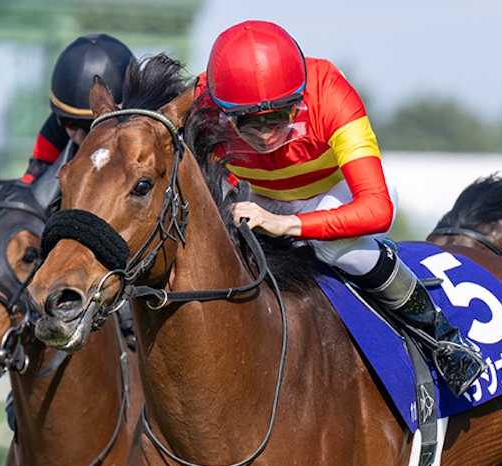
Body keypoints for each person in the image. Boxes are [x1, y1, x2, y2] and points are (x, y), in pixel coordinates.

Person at [196, 20, 483, 396]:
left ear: (299, 98)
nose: (265, 135)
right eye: (249, 121)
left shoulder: (329, 92)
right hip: (261, 197)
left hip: (338, 193)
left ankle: (443, 338)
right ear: (221, 108)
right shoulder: (200, 100)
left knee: (333, 247)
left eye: (278, 117)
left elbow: (378, 208)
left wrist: (288, 224)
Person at [21, 33, 135, 182]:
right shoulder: (56, 126)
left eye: (91, 126)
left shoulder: (150, 130)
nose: (81, 137)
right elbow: (32, 182)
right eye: (71, 124)